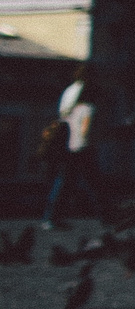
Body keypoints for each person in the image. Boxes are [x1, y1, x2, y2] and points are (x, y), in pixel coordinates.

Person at [40, 80, 109, 227]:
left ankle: (50, 217)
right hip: (83, 150)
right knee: (95, 184)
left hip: (68, 150)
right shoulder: (89, 108)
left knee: (63, 183)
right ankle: (107, 216)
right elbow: (85, 131)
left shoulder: (72, 109)